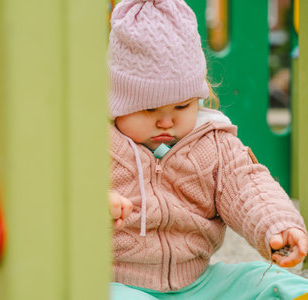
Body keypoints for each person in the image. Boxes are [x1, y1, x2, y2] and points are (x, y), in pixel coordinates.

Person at [107, 0, 308, 299]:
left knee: (276, 283)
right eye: (148, 108)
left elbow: (248, 185)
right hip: (119, 283)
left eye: (182, 105)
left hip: (200, 284)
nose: (167, 120)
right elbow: (60, 197)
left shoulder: (212, 143)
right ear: (116, 103)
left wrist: (276, 224)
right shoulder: (98, 147)